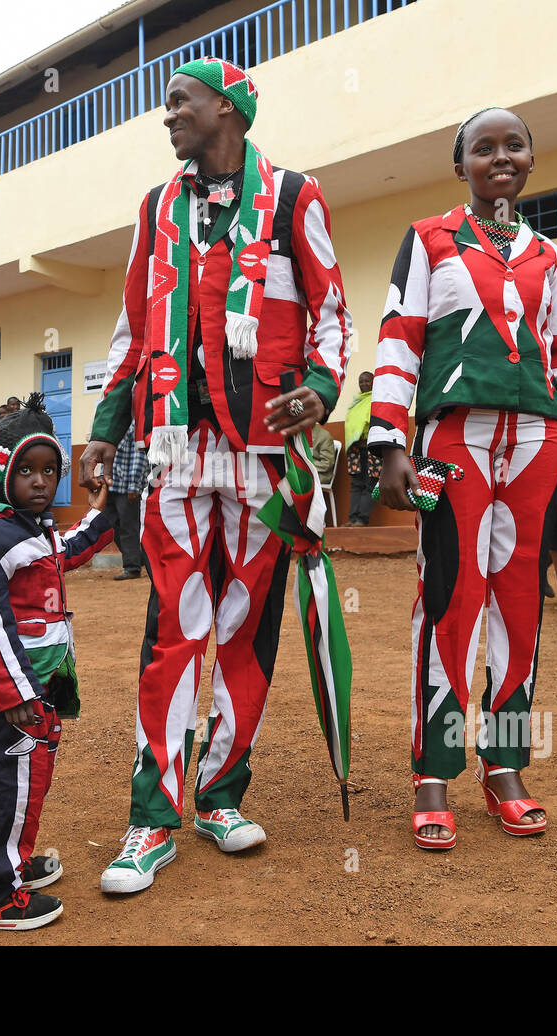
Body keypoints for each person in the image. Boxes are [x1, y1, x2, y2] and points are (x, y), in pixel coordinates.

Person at [80, 58, 352, 892]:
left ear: (227, 109)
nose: (168, 118)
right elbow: (133, 324)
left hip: (266, 457)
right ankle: (151, 817)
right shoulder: (157, 208)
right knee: (175, 627)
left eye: (180, 103)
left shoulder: (296, 196)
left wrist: (320, 386)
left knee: (246, 625)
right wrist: (104, 428)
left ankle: (221, 794)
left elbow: (332, 313)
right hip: (175, 451)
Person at [370, 107, 557, 851]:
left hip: (538, 444)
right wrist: (388, 440)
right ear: (460, 165)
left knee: (521, 609)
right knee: (448, 600)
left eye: (514, 145)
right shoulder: (429, 240)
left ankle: (504, 765)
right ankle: (432, 770)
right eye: (483, 148)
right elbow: (400, 337)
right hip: (448, 443)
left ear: (532, 159)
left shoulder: (551, 260)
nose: (501, 157)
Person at [0, 396, 114, 930]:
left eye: (49, 470)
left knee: (27, 779)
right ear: (0, 474)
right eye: (25, 470)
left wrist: (98, 512)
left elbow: (66, 552)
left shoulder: (31, 530)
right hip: (11, 698)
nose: (40, 481)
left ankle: (12, 863)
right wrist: (16, 692)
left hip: (39, 692)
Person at [106, 428, 147, 580]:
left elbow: (139, 457)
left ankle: (132, 567)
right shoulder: (114, 425)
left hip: (127, 487)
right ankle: (138, 557)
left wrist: (134, 486)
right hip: (111, 485)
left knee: (128, 527)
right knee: (108, 524)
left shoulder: (134, 427)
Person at [343, 371, 380, 526]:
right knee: (356, 484)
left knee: (370, 483)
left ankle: (362, 519)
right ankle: (352, 519)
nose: (364, 384)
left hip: (372, 448)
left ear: (373, 382)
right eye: (361, 381)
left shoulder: (377, 400)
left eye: (367, 381)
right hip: (356, 450)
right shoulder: (357, 402)